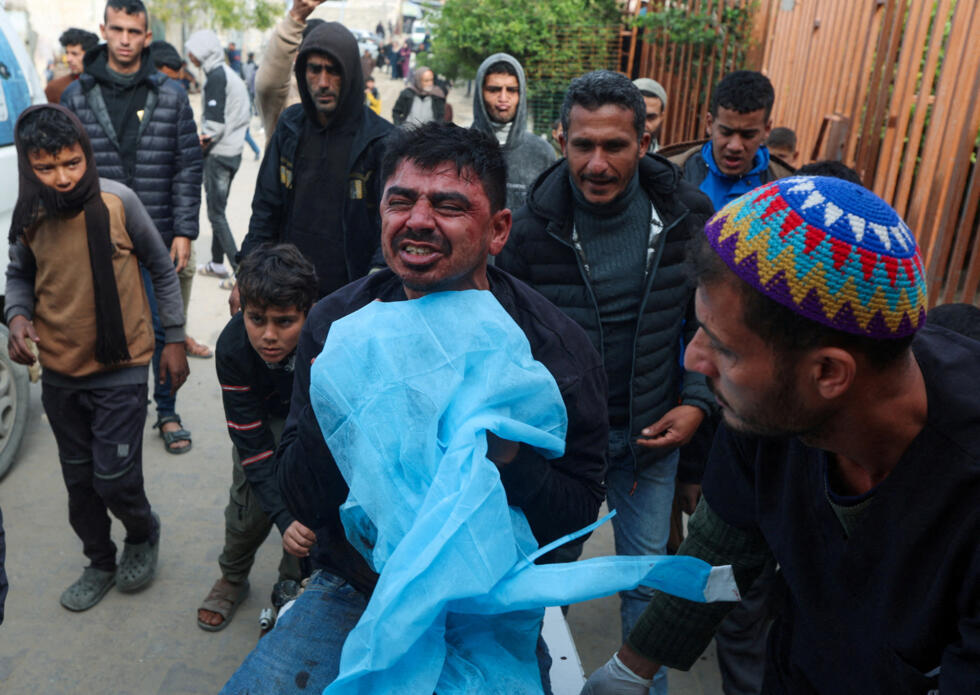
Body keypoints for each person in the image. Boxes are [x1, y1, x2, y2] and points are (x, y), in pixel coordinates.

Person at [221, 120, 608, 695]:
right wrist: (344, 405)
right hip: (357, 585)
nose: (418, 220)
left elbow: (575, 516)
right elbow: (302, 497)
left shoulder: (552, 352)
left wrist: (511, 461)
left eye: (449, 205)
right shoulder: (338, 328)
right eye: (400, 201)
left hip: (488, 597)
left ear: (499, 229)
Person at [582, 175, 980, 694]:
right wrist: (632, 668)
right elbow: (722, 549)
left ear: (828, 373)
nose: (694, 360)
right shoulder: (770, 409)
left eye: (724, 348)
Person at [496, 70, 714, 695]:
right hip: (559, 449)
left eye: (614, 145)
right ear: (560, 139)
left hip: (652, 440)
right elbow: (507, 344)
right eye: (583, 144)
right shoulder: (528, 229)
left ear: (644, 142)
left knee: (648, 585)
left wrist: (697, 403)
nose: (597, 163)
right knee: (544, 583)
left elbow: (709, 322)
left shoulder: (687, 216)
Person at [5, 104, 188, 611]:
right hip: (60, 372)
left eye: (72, 162)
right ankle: (99, 560)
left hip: (120, 366)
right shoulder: (31, 215)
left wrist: (174, 338)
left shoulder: (118, 202)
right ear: (29, 167)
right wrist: (17, 318)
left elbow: (161, 267)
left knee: (115, 477)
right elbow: (19, 275)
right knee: (80, 483)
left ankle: (142, 532)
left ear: (86, 153)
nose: (62, 178)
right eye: (46, 167)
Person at [62, 0, 202, 455]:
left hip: (158, 233)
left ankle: (167, 411)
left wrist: (184, 230)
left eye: (134, 31)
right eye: (117, 29)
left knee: (163, 327)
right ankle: (115, 413)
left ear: (147, 36)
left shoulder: (170, 94)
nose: (125, 39)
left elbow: (187, 164)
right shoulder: (76, 96)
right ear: (104, 30)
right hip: (97, 236)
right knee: (104, 327)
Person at [197, 244, 318, 632]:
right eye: (256, 319)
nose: (268, 336)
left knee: (308, 508)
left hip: (311, 420)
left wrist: (293, 519)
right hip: (261, 418)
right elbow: (250, 443)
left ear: (309, 313)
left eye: (285, 322)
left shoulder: (326, 339)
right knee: (249, 506)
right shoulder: (233, 348)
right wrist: (281, 516)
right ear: (242, 309)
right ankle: (232, 576)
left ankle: (293, 587)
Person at [234, 22, 393, 309]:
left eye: (333, 71)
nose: (322, 82)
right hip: (287, 294)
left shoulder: (380, 141)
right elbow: (265, 211)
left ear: (350, 73)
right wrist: (245, 274)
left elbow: (390, 230)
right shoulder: (290, 127)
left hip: (351, 299)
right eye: (314, 70)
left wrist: (373, 294)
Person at [147, 40, 212, 361]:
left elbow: (186, 165)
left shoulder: (175, 99)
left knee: (183, 270)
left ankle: (176, 334)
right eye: (168, 78)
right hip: (147, 212)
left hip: (175, 210)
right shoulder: (137, 102)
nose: (173, 85)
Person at [664, 70, 793, 211]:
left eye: (748, 135)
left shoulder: (789, 191)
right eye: (726, 132)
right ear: (709, 123)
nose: (735, 146)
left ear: (767, 129)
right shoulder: (667, 176)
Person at [185, 30, 251, 282]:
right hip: (232, 151)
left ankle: (240, 274)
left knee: (216, 215)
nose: (189, 55)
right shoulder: (224, 73)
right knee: (218, 210)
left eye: (192, 50)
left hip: (220, 155)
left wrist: (193, 146)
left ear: (203, 51)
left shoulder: (216, 77)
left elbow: (213, 127)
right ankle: (216, 263)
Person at [471, 54, 556, 210]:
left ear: (521, 94)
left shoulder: (542, 153)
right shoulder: (459, 149)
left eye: (511, 90)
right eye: (494, 90)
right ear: (480, 93)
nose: (503, 98)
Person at [254, 0, 326, 142]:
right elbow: (269, 83)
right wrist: (295, 19)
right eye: (315, 66)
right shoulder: (286, 95)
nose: (324, 80)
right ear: (297, 56)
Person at [45, 28, 99, 104]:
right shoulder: (55, 88)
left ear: (90, 55)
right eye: (67, 53)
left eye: (75, 54)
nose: (68, 59)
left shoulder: (105, 84)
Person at [632, 78, 667, 153]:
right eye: (638, 115)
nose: (643, 124)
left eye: (651, 117)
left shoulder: (667, 158)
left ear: (661, 117)